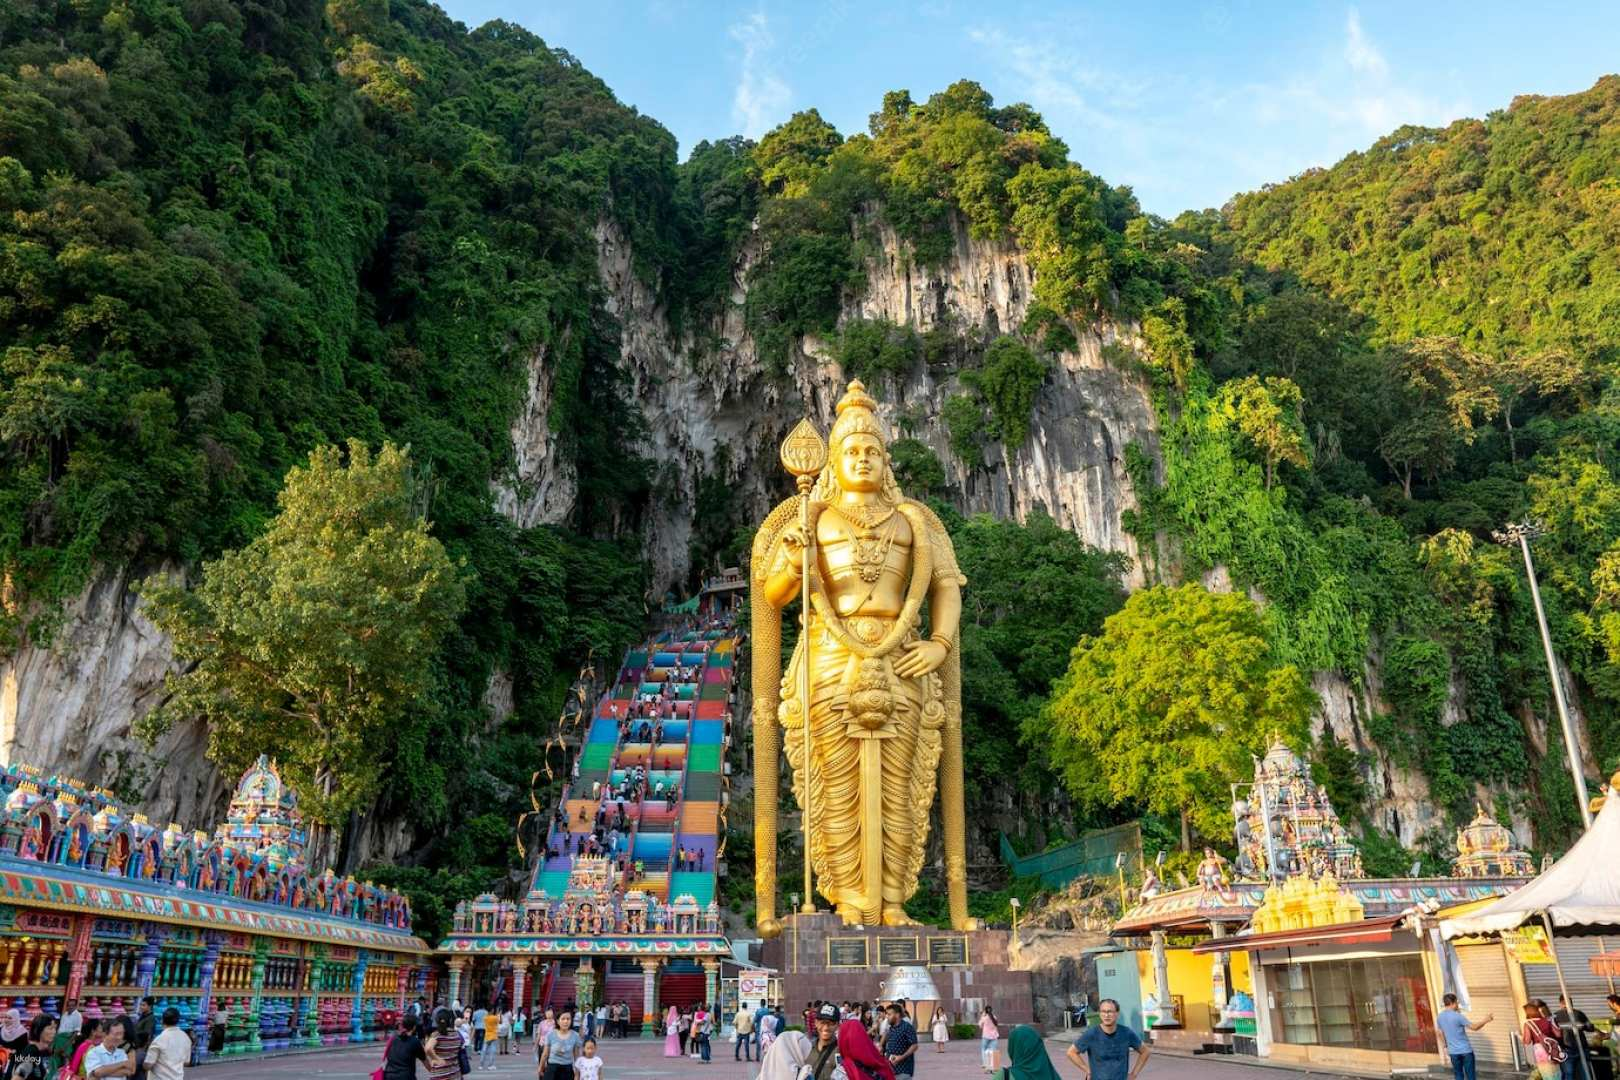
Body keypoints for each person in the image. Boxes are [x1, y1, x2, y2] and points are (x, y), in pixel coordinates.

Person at [1067, 999, 1149, 1080]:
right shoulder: (1091, 1034)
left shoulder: (1126, 1033)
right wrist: (1088, 1071)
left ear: (1117, 1014)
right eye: (1103, 1011)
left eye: (1110, 1012)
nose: (1106, 1015)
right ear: (1100, 1014)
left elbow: (1145, 1051)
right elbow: (1071, 1052)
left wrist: (1134, 1074)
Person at [1436, 993, 1492, 1080]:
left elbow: (1439, 1033)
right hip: (1466, 1051)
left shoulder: (1440, 1017)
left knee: (1458, 1075)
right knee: (1471, 1076)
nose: (1458, 1004)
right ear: (1452, 1003)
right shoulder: (1458, 1016)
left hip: (1453, 1052)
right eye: (1457, 1002)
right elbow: (1474, 1027)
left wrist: (1445, 1046)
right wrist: (1486, 1020)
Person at [1553, 995, 1597, 1079]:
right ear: (1571, 1003)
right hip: (1581, 1048)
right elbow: (1590, 1028)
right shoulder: (1579, 1013)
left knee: (1569, 1074)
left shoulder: (1555, 1016)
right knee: (1584, 1073)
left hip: (1566, 1049)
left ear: (1560, 1003)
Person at [1523, 1002, 1567, 1080]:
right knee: (1556, 1073)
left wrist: (1521, 1036)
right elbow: (1558, 1034)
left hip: (1540, 1052)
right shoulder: (1547, 1020)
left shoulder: (1528, 1024)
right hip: (1551, 1049)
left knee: (1547, 1074)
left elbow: (1527, 1041)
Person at [5, 1012, 56, 1080]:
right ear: (39, 1030)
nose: (54, 1032)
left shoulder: (43, 1051)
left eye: (55, 1028)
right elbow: (17, 1078)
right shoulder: (31, 1052)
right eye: (50, 1028)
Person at [144, 1008, 190, 1080]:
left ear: (162, 1021)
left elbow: (148, 1064)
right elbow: (186, 1062)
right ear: (177, 1021)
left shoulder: (159, 1039)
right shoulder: (185, 1038)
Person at [380, 1014, 427, 1080]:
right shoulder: (415, 1041)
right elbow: (424, 1060)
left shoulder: (393, 1039)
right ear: (414, 1027)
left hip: (388, 1075)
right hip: (405, 1076)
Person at [537, 1009, 580, 1080]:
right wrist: (540, 1068)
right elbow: (545, 1054)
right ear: (557, 1021)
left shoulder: (575, 1036)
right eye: (563, 1019)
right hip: (552, 1069)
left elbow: (576, 1056)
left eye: (568, 1019)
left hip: (567, 1070)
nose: (565, 1021)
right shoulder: (550, 1035)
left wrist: (577, 1073)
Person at [423, 1007, 464, 1080]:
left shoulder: (437, 1035)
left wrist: (436, 1058)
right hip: (455, 1074)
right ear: (450, 1020)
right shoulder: (457, 1034)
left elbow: (428, 1048)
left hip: (440, 1074)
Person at [883, 1003, 918, 1078]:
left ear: (897, 1015)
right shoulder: (891, 1028)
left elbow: (914, 1045)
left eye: (889, 1014)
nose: (887, 1017)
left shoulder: (907, 1027)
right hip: (891, 1070)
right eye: (886, 1014)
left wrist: (901, 1057)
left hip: (903, 1070)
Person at [808, 1005, 841, 1080]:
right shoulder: (807, 1049)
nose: (826, 1028)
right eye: (822, 1022)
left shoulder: (842, 1051)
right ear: (816, 1023)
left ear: (837, 1025)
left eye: (831, 1023)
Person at [980, 1006, 1000, 1073]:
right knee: (993, 1051)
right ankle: (994, 1068)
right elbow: (996, 1025)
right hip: (994, 1036)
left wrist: (982, 1016)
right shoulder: (994, 1017)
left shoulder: (984, 1018)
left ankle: (986, 1066)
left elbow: (980, 1025)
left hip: (986, 1036)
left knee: (984, 1050)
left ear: (985, 1011)